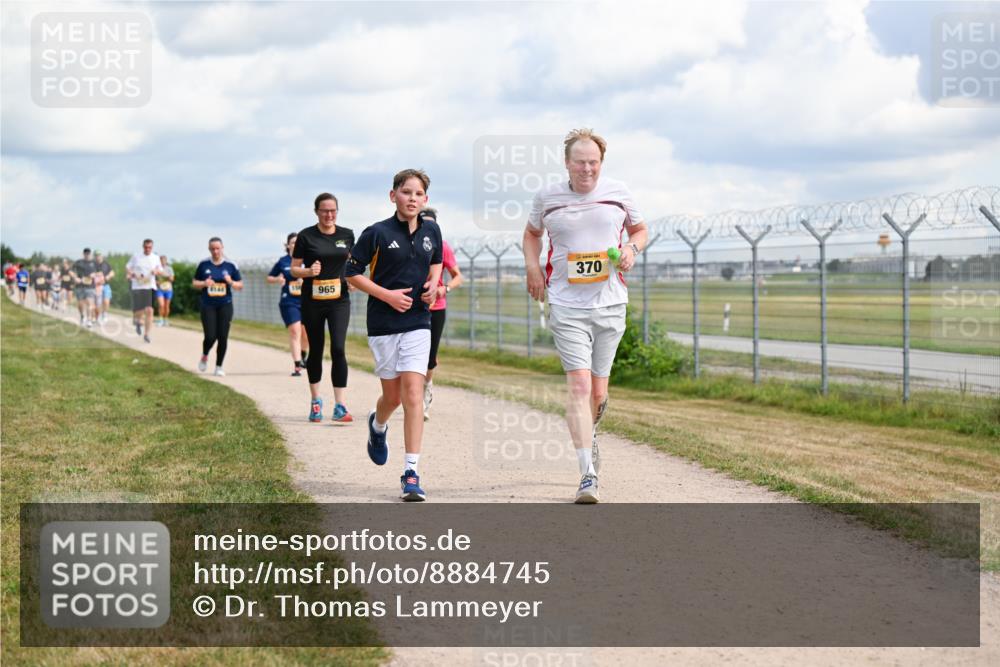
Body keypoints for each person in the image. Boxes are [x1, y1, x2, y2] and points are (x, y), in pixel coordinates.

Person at [522, 129, 648, 504]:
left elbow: (640, 230)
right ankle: (587, 475)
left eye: (593, 162)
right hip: (566, 303)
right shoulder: (548, 197)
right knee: (577, 387)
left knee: (597, 391)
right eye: (580, 162)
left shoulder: (618, 193)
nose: (587, 169)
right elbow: (531, 235)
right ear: (567, 163)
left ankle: (589, 434)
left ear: (601, 163)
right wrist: (532, 268)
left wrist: (631, 249)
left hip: (610, 304)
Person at [346, 169, 442, 502]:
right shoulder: (376, 233)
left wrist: (433, 286)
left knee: (414, 393)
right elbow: (351, 274)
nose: (412, 198)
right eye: (406, 192)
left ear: (425, 200)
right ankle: (378, 426)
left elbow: (436, 262)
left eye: (418, 194)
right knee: (393, 398)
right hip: (384, 324)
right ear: (393, 196)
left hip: (418, 321)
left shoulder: (432, 230)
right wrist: (386, 295)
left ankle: (411, 473)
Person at [292, 195, 354, 422]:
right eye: (324, 211)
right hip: (313, 300)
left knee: (338, 348)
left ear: (338, 211)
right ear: (316, 211)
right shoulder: (306, 236)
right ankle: (316, 401)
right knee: (316, 349)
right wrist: (308, 272)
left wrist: (353, 280)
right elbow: (294, 269)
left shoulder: (347, 235)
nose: (329, 215)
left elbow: (351, 263)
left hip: (339, 299)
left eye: (333, 211)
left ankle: (340, 405)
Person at [417, 208, 463, 421]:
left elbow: (457, 277)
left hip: (436, 308)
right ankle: (412, 395)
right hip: (411, 306)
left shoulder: (443, 247)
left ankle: (426, 388)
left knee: (430, 354)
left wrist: (446, 288)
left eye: (431, 224)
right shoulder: (410, 244)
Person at [192, 237, 243, 376]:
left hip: (225, 304)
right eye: (212, 248)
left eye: (217, 248)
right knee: (210, 336)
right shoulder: (203, 265)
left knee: (223, 336)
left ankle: (219, 366)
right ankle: (205, 354)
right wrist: (204, 283)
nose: (215, 251)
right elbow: (194, 283)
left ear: (222, 248)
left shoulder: (230, 265)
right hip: (208, 304)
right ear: (209, 249)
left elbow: (240, 285)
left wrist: (231, 282)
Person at [267, 233, 310, 377]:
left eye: (298, 242)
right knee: (295, 331)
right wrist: (278, 279)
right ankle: (297, 365)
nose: (295, 245)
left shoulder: (308, 260)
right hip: (289, 301)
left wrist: (305, 281)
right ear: (288, 245)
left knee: (306, 335)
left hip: (307, 301)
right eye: (293, 242)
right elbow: (269, 277)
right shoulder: (283, 261)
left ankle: (303, 356)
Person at [126, 239, 161, 343]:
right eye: (146, 247)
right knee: (138, 311)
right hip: (137, 286)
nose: (147, 249)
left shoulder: (155, 257)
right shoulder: (136, 256)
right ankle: (137, 321)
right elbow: (128, 267)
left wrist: (156, 271)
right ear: (143, 246)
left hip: (150, 286)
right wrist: (132, 274)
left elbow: (160, 270)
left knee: (149, 310)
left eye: (150, 247)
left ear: (152, 247)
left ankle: (147, 334)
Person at [70, 249, 98, 327]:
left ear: (90, 254)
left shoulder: (94, 263)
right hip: (80, 286)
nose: (87, 255)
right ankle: (82, 316)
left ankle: (89, 320)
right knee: (80, 304)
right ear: (83, 254)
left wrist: (94, 275)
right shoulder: (78, 262)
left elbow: (99, 273)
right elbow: (71, 271)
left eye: (88, 253)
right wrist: (75, 278)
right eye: (86, 253)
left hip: (90, 286)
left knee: (90, 302)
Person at [94, 251, 115, 323]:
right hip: (96, 286)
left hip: (106, 285)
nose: (98, 257)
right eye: (96, 256)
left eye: (99, 255)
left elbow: (112, 272)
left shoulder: (106, 264)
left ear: (101, 256)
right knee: (98, 303)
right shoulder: (93, 265)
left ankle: (104, 314)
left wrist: (109, 276)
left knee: (106, 301)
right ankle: (97, 316)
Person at [155, 255, 175, 327]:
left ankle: (165, 320)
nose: (162, 262)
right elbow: (153, 278)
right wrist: (156, 282)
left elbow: (172, 279)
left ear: (166, 261)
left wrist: (165, 276)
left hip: (168, 289)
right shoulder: (156, 268)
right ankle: (160, 320)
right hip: (159, 289)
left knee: (166, 306)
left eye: (164, 260)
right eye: (161, 260)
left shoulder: (169, 269)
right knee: (161, 305)